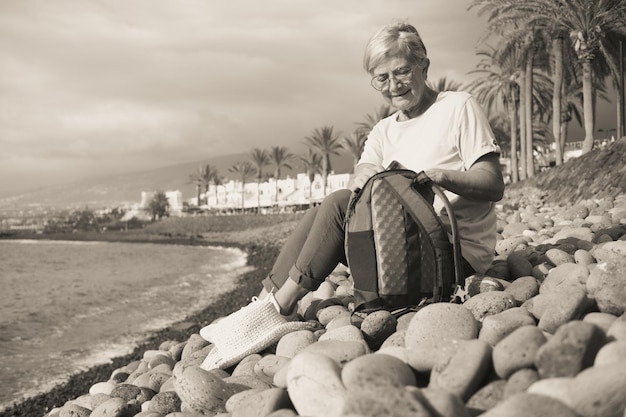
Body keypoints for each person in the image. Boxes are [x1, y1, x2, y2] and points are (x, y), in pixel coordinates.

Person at [200, 21, 504, 369]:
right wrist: (366, 181)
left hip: (449, 257)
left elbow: (493, 183)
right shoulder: (383, 131)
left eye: (402, 71)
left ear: (424, 66)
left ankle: (277, 307)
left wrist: (441, 176)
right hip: (397, 254)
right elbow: (363, 175)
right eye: (382, 78)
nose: (394, 85)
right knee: (327, 210)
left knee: (337, 205)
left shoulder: (457, 107)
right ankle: (265, 301)